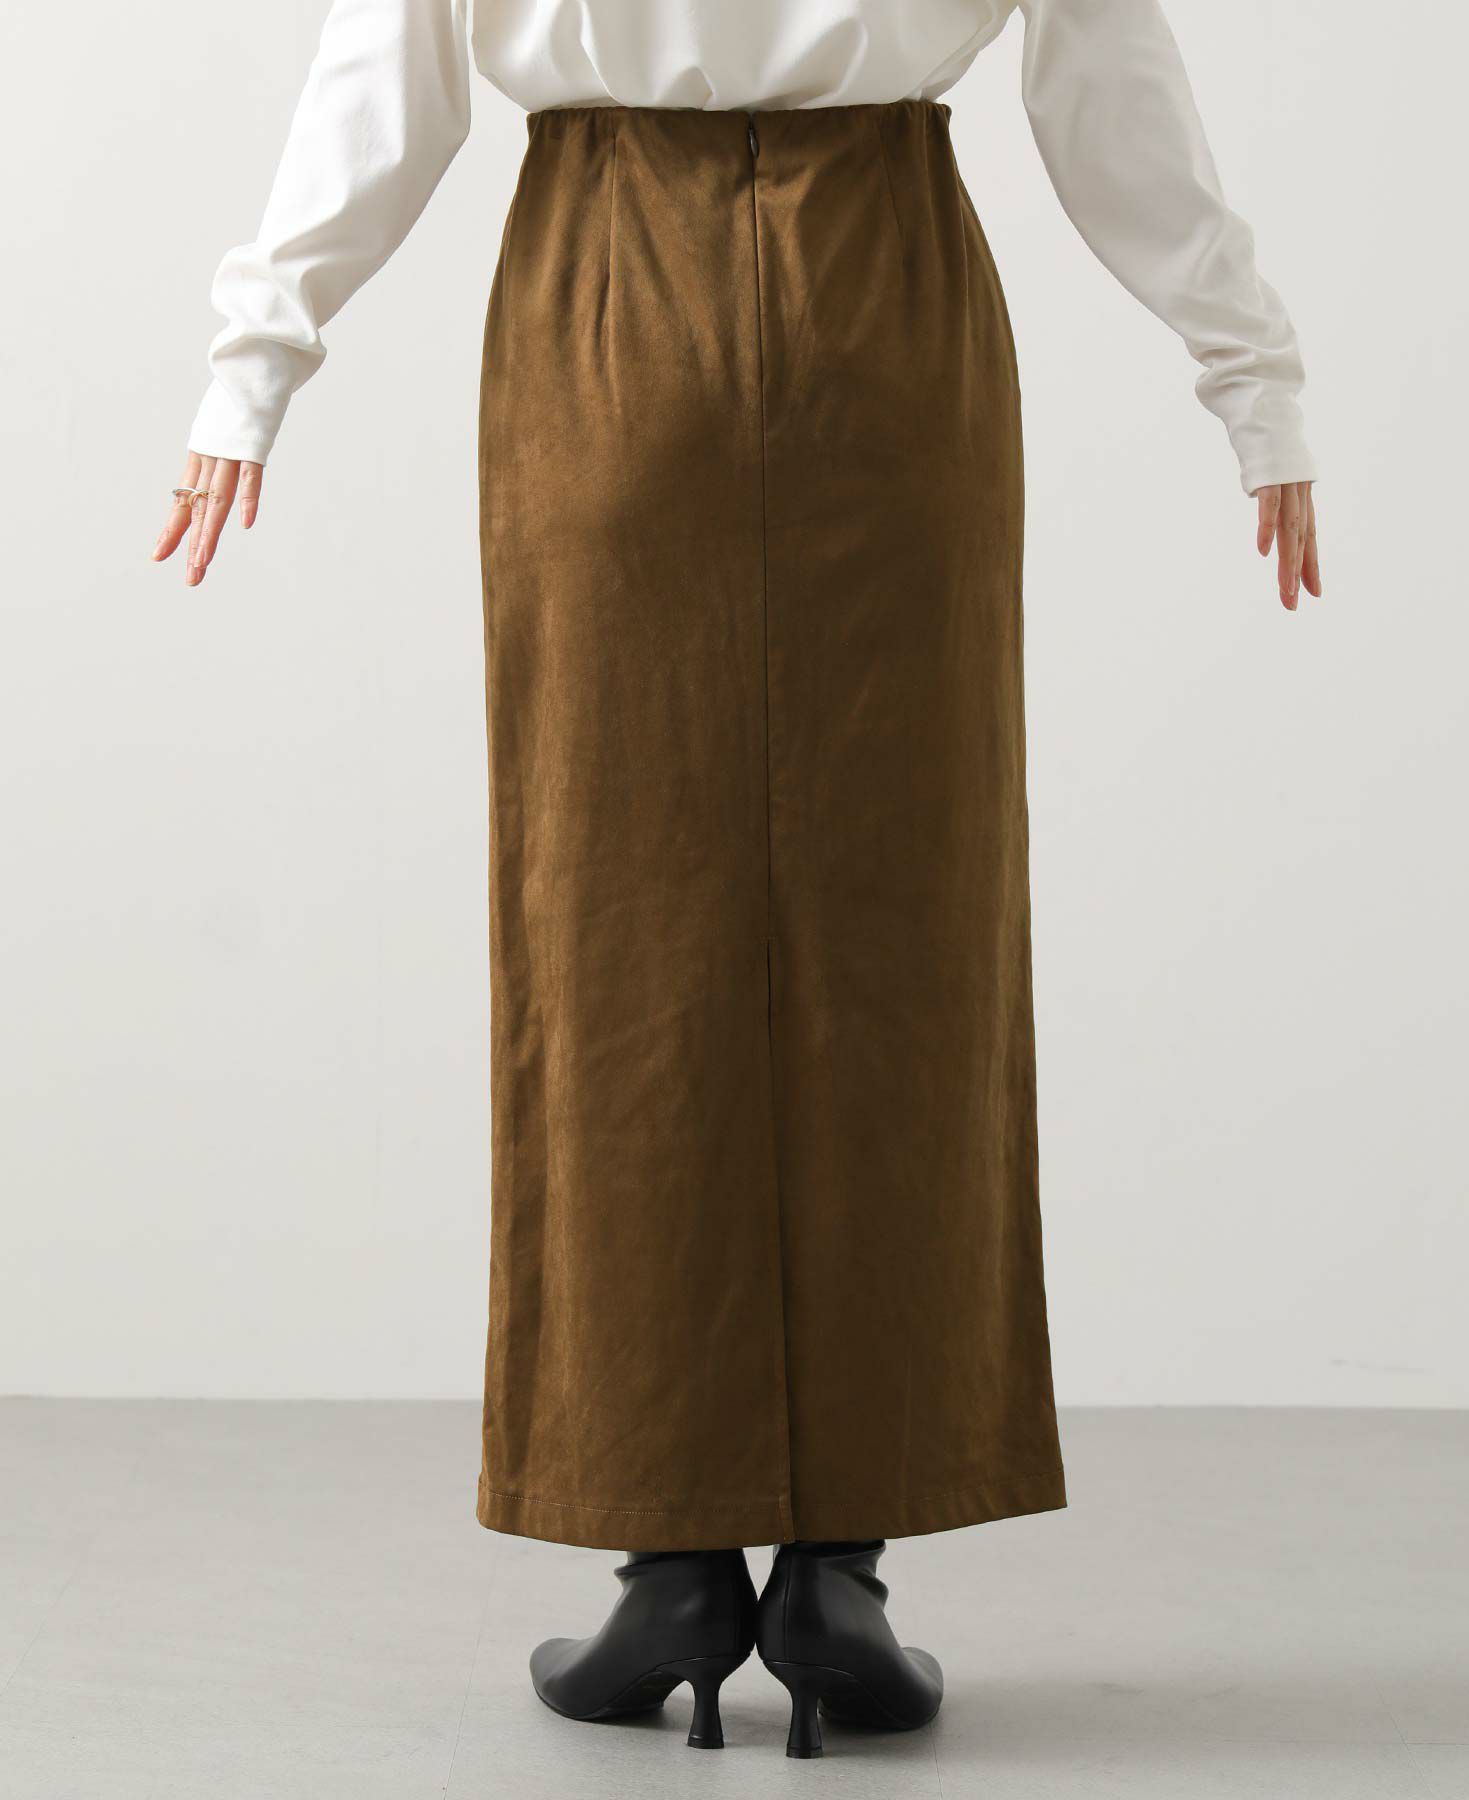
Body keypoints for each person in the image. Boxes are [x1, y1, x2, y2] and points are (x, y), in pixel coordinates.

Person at [152, 0, 1321, 1762]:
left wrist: (255, 362)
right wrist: (1252, 377)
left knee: (611, 933)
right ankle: (839, 1578)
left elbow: (387, 75)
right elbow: (1110, 84)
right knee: (904, 930)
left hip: (605, 300)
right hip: (888, 298)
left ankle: (671, 1571)